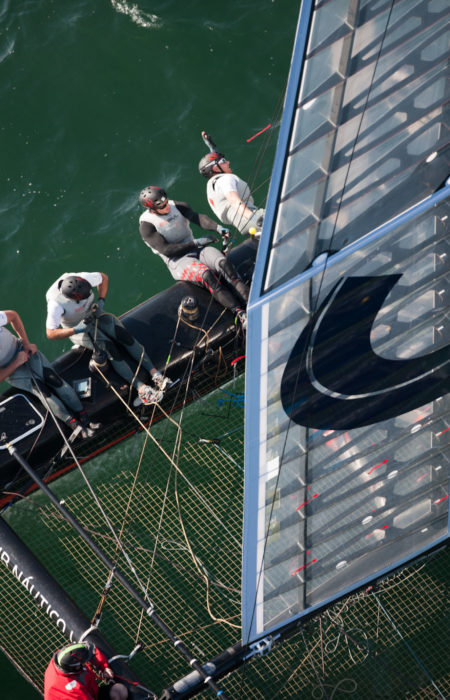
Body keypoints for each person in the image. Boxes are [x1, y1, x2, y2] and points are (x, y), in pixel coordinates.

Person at [46, 272, 169, 405]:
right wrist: (76, 329)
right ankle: (141, 388)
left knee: (124, 335)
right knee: (109, 348)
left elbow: (103, 278)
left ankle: (155, 374)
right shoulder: (55, 305)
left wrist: (101, 301)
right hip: (78, 327)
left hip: (94, 312)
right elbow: (51, 333)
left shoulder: (82, 278)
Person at [138, 186, 249, 327]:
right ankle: (240, 313)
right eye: (162, 206)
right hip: (177, 260)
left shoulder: (177, 206)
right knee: (207, 275)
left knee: (223, 263)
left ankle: (250, 300)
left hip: (196, 248)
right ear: (152, 209)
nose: (167, 206)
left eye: (166, 202)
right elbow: (167, 250)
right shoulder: (146, 226)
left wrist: (217, 227)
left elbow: (197, 218)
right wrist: (196, 242)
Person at [0, 309, 97, 437]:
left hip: (23, 350)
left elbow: (13, 316)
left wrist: (26, 343)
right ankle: (74, 425)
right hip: (11, 370)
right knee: (42, 390)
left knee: (53, 379)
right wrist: (16, 363)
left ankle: (84, 417)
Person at [198, 131, 265, 236]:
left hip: (242, 225)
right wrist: (257, 219)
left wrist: (212, 147)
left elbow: (214, 163)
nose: (228, 162)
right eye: (224, 161)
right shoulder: (225, 180)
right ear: (215, 168)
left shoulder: (212, 185)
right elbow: (233, 200)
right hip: (250, 217)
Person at [44, 641, 128, 699]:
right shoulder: (72, 690)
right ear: (76, 667)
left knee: (120, 691)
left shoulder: (63, 657)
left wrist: (104, 667)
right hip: (80, 696)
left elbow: (90, 649)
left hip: (90, 692)